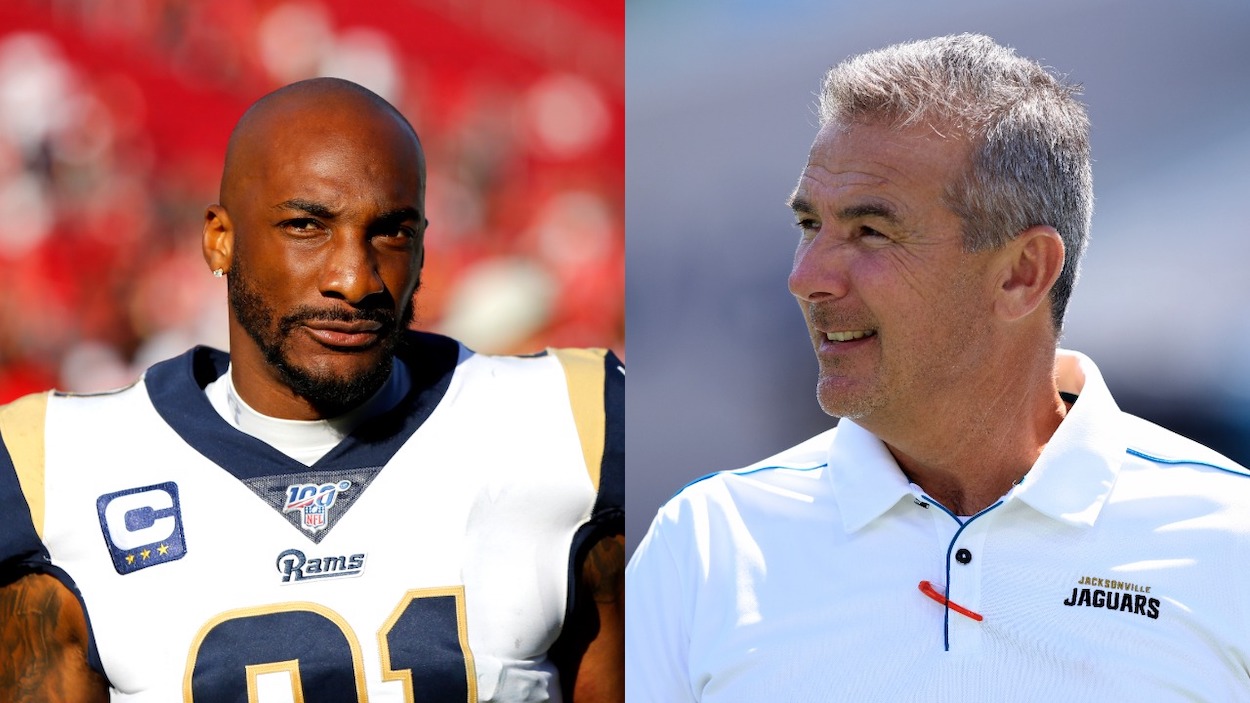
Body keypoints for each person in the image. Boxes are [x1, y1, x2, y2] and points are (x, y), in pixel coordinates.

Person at [625, 33, 1250, 701]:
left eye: (872, 231)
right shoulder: (703, 544)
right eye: (811, 225)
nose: (805, 278)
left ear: (1021, 273)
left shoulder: (1230, 537)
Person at [0, 77, 624, 702]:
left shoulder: (570, 424)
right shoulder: (60, 473)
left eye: (392, 232)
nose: (354, 279)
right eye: (306, 226)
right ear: (221, 238)